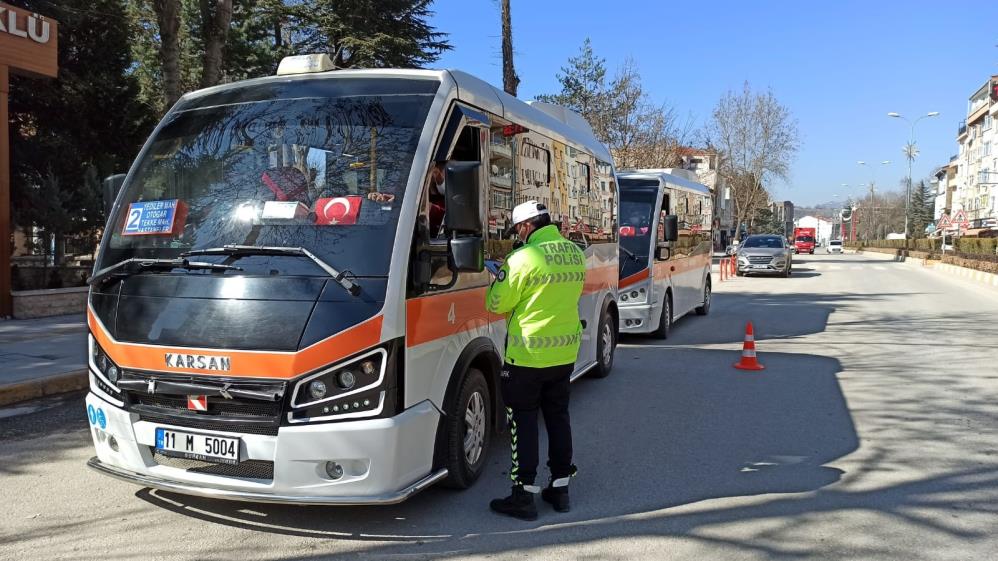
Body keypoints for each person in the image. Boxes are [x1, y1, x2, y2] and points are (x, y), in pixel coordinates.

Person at [485, 200, 587, 521]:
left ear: (526, 226)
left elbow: (496, 303)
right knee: (558, 418)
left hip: (527, 356)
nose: (518, 235)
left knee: (524, 422)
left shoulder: (522, 258)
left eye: (517, 229)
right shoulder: (574, 252)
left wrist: (500, 274)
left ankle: (524, 495)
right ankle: (560, 489)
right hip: (564, 353)